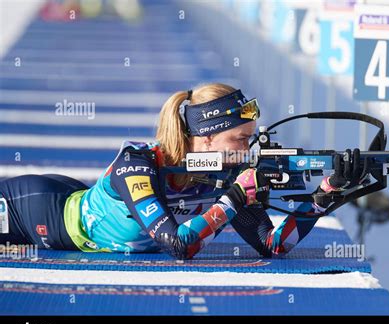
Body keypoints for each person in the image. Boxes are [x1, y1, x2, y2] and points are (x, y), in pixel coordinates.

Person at [0, 83, 364, 259]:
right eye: (239, 139)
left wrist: (327, 193)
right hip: (32, 211)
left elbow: (273, 244)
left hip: (70, 201)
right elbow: (178, 245)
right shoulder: (138, 165)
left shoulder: (225, 176)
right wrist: (236, 196)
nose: (247, 150)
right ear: (205, 140)